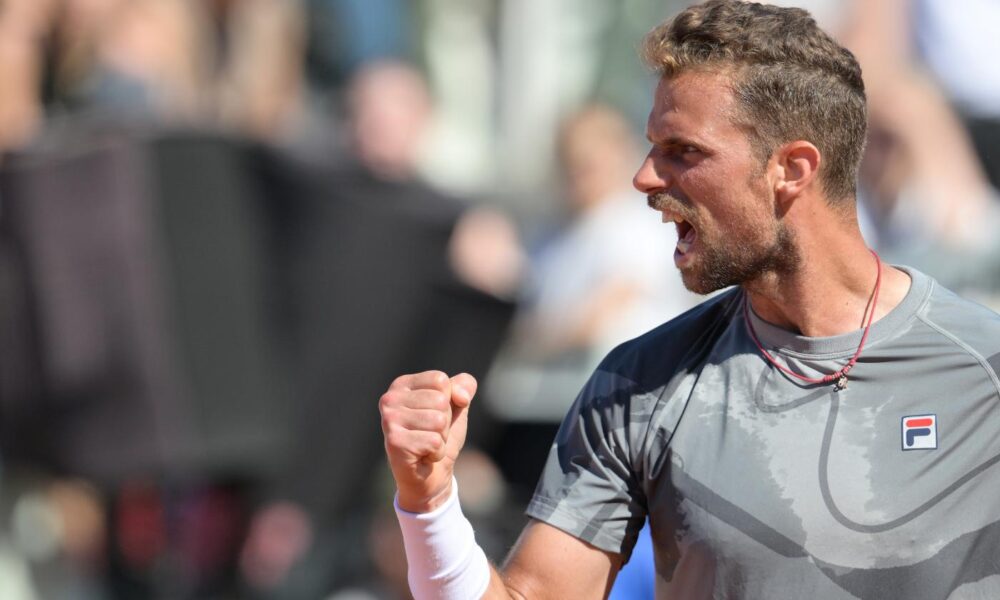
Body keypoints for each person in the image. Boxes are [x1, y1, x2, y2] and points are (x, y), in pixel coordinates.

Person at [378, 1, 1000, 598]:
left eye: (684, 151)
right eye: (653, 146)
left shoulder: (983, 367)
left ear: (792, 169)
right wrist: (429, 502)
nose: (645, 177)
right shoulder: (636, 384)